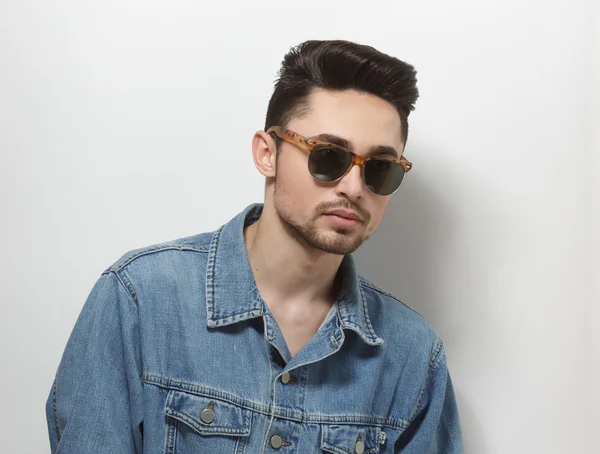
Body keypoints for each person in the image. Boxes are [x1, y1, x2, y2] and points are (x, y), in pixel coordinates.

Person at [46, 39, 463, 453]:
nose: (354, 188)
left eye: (380, 169)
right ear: (267, 153)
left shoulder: (413, 357)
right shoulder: (141, 299)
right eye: (328, 156)